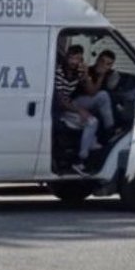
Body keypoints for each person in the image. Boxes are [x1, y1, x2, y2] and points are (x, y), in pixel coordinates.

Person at [55, 44, 108, 174]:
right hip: (59, 109)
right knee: (92, 122)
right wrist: (80, 110)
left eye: (79, 59)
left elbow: (92, 92)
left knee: (100, 101)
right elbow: (60, 101)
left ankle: (101, 136)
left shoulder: (78, 72)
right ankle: (81, 160)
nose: (75, 62)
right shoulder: (59, 72)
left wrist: (86, 76)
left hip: (70, 104)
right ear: (67, 57)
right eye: (72, 58)